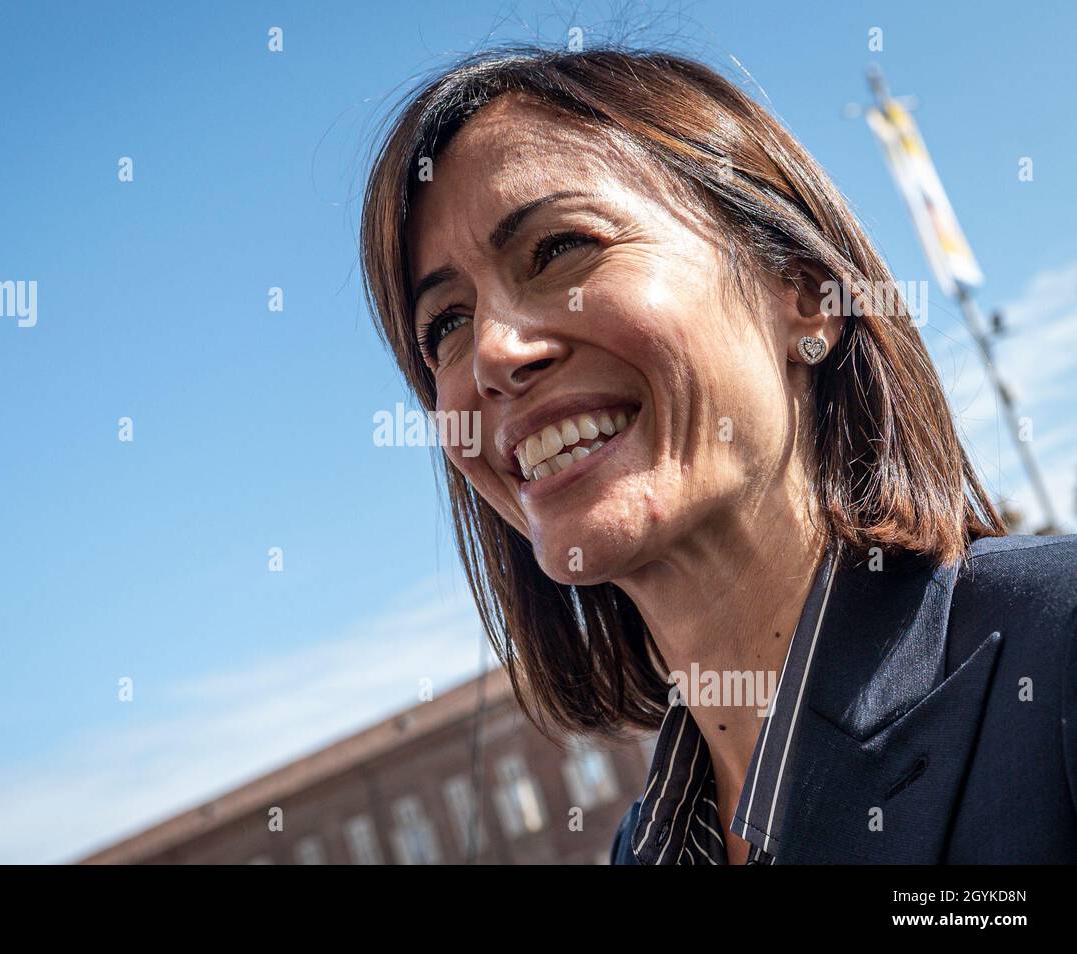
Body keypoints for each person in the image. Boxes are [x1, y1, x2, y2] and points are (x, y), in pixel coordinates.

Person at [359, 46, 1077, 863]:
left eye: (560, 249)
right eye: (446, 324)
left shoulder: (1056, 653)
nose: (493, 353)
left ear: (806, 295)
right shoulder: (642, 849)